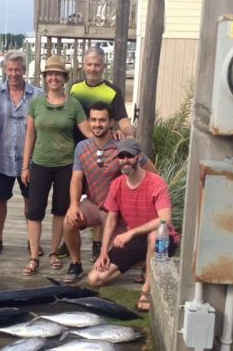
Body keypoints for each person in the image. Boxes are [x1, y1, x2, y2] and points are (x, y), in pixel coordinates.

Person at [58, 45, 140, 262]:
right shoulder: (75, 88)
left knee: (100, 196)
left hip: (103, 149)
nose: (93, 68)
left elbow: (121, 118)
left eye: (97, 65)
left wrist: (130, 137)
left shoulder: (113, 91)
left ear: (104, 66)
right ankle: (69, 240)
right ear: (83, 66)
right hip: (78, 150)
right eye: (89, 64)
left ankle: (97, 243)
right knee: (73, 196)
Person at [63, 102, 155, 283]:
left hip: (119, 212)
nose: (97, 124)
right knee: (69, 221)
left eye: (102, 120)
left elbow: (153, 174)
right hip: (93, 204)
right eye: (94, 120)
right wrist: (74, 205)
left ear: (111, 122)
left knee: (123, 252)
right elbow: (76, 179)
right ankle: (76, 264)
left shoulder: (123, 146)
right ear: (89, 121)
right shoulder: (82, 147)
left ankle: (144, 265)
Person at [87, 138, 179, 312]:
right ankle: (140, 261)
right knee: (95, 278)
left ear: (138, 156)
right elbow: (111, 220)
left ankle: (146, 290)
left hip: (163, 239)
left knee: (153, 236)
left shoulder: (156, 182)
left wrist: (130, 233)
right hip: (136, 239)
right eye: (121, 156)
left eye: (129, 155)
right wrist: (103, 252)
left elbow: (165, 219)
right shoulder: (117, 185)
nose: (125, 160)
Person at [21, 55, 91, 276]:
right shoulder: (36, 104)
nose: (54, 78)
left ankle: (53, 252)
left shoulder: (74, 104)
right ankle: (34, 256)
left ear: (64, 78)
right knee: (34, 212)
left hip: (66, 165)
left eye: (58, 74)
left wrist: (111, 137)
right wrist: (25, 167)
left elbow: (89, 132)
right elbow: (30, 136)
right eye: (50, 74)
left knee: (60, 210)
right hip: (40, 163)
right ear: (45, 78)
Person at [0, 51, 43, 257]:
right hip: (3, 158)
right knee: (0, 198)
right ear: (4, 70)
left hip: (31, 159)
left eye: (17, 69)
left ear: (24, 71)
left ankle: (32, 239)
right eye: (9, 69)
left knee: (31, 200)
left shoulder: (38, 95)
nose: (13, 74)